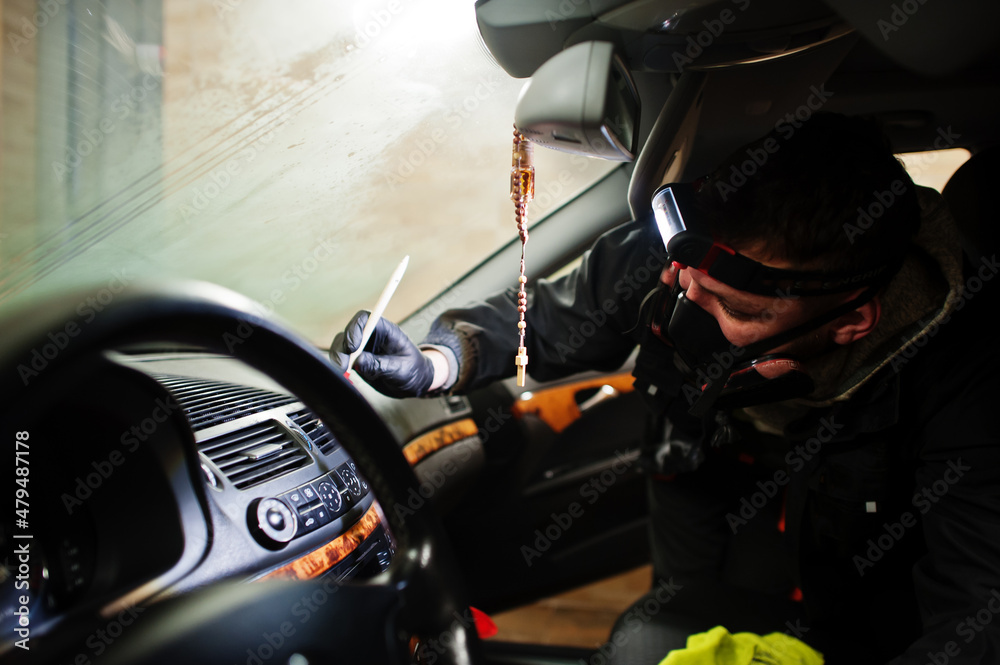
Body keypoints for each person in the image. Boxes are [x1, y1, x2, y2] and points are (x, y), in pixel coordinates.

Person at [331, 113, 1000, 664]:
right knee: (675, 609)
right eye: (684, 282)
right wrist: (437, 361)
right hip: (696, 466)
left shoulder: (968, 386)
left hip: (842, 534)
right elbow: (564, 312)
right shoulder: (710, 247)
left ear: (852, 321)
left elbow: (975, 616)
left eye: (738, 312)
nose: (684, 306)